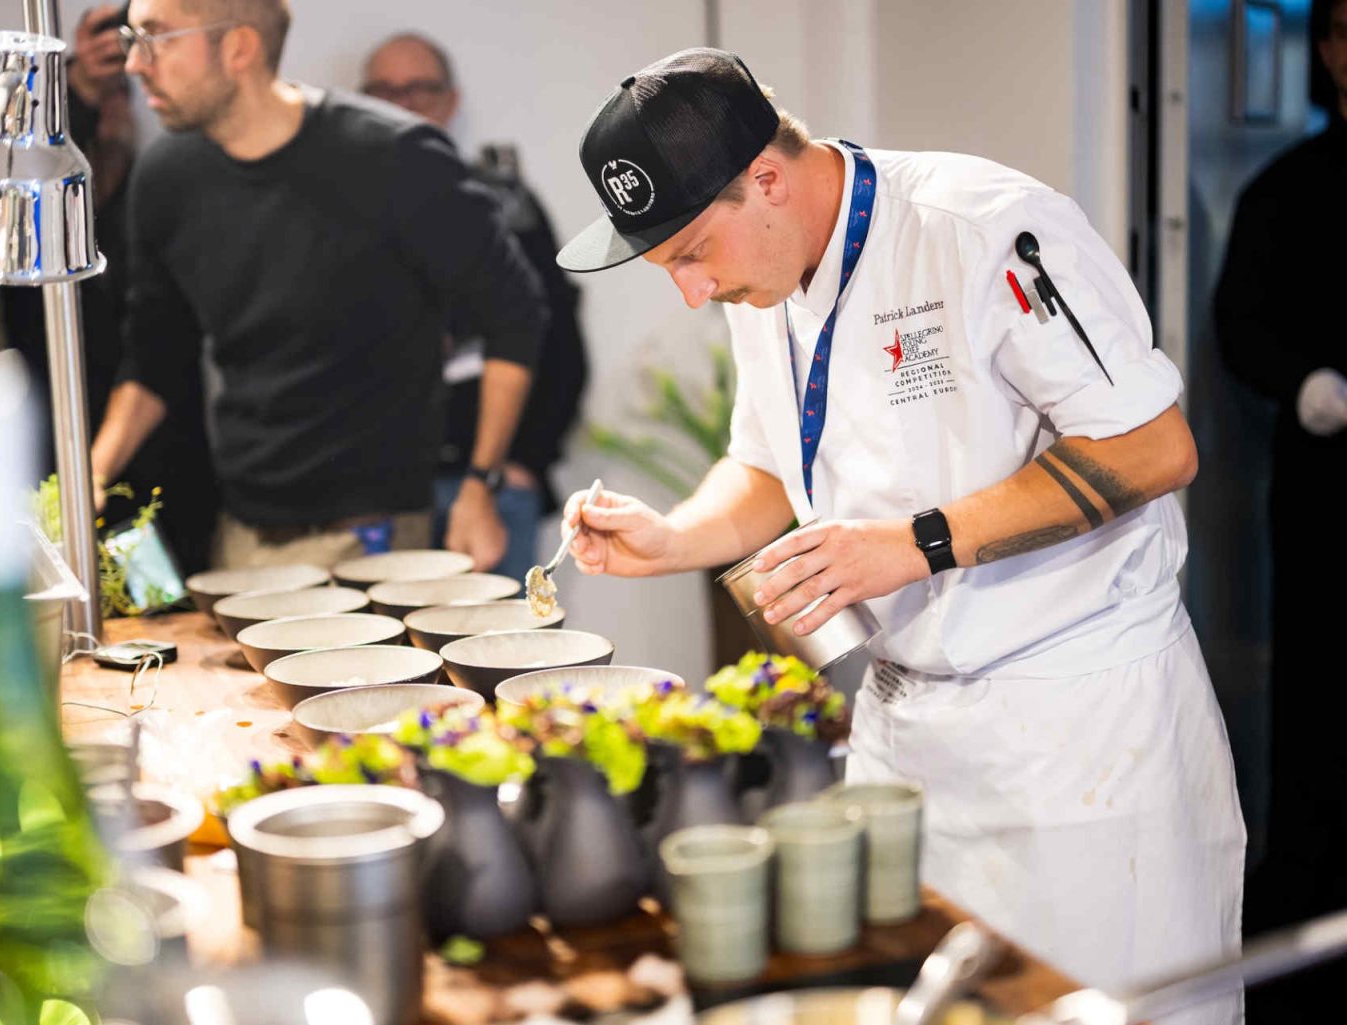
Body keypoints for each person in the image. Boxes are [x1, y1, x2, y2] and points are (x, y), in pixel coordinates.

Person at [558, 48, 1244, 1020]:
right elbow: (765, 465)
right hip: (911, 735)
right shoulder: (766, 270)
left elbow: (1155, 447)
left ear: (767, 178)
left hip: (1080, 737)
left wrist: (916, 541)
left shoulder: (982, 229)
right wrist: (675, 536)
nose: (690, 292)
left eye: (691, 254)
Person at [90, 0, 545, 572]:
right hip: (241, 537)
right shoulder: (165, 178)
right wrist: (94, 472)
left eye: (156, 38)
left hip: (373, 535)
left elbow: (515, 312)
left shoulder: (394, 155)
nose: (134, 63)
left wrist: (482, 484)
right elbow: (156, 351)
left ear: (238, 48)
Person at [1213, 0, 1347, 996]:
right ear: (1326, 49)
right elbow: (1238, 326)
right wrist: (1304, 381)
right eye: (1343, 27)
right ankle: (1306, 941)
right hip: (1330, 495)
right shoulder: (1285, 191)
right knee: (1319, 707)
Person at [360, 32, 588, 580]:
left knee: (497, 656)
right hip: (377, 496)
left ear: (451, 100)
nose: (403, 105)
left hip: (491, 483)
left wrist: (528, 461)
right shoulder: (337, 215)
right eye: (385, 91)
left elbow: (556, 338)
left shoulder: (502, 202)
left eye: (420, 89)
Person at [2, 3, 216, 578]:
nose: (122, 83)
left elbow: (165, 340)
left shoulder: (160, 187)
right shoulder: (41, 198)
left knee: (162, 612)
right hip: (63, 438)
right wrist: (77, 93)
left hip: (164, 455)